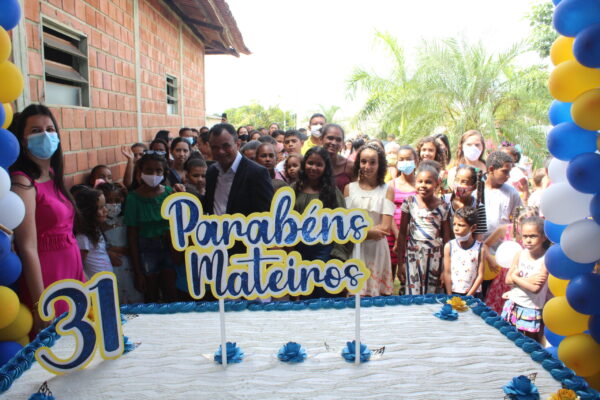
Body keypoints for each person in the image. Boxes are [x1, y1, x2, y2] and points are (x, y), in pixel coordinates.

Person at [10, 104, 85, 332]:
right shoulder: (23, 183)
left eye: (50, 129)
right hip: (47, 276)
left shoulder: (53, 175)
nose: (45, 135)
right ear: (23, 140)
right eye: (35, 130)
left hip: (72, 268)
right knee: (58, 342)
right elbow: (27, 246)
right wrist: (40, 302)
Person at [292, 147, 350, 298]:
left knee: (323, 293)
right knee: (304, 294)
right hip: (298, 251)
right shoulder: (294, 189)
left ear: (325, 168)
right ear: (304, 164)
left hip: (324, 251)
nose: (313, 168)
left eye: (319, 164)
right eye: (310, 163)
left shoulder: (332, 192)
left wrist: (338, 255)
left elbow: (342, 225)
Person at [124, 152, 176, 303]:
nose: (154, 174)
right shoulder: (133, 198)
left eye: (158, 170)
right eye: (149, 170)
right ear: (140, 172)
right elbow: (132, 235)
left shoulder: (170, 193)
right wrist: (137, 271)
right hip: (146, 250)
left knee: (171, 292)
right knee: (150, 293)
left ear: (164, 173)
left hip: (169, 247)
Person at [345, 144, 395, 296]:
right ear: (358, 163)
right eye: (363, 161)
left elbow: (385, 228)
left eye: (373, 162)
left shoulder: (387, 190)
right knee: (355, 296)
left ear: (380, 164)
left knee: (376, 298)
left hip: (377, 249)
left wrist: (359, 232)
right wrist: (369, 232)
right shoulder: (349, 188)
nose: (367, 166)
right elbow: (346, 224)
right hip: (355, 248)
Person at [397, 161, 451, 295]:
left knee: (432, 294)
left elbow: (447, 238)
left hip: (435, 256)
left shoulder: (443, 207)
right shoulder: (410, 202)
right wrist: (400, 263)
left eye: (428, 182)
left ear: (436, 184)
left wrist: (446, 269)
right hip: (413, 255)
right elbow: (402, 234)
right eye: (420, 181)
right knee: (413, 294)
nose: (423, 185)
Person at [204, 123, 274, 217]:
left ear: (237, 144)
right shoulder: (211, 172)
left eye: (226, 146)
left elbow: (264, 216)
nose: (220, 151)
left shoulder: (257, 173)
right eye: (215, 147)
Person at [501, 215, 549, 342]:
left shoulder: (546, 259)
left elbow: (535, 289)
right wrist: (526, 280)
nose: (528, 240)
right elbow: (507, 280)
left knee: (530, 343)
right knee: (510, 339)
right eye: (525, 236)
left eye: (533, 236)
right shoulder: (520, 254)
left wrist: (516, 278)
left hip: (531, 308)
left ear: (544, 237)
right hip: (514, 303)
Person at [97, 182, 143, 304]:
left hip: (130, 265)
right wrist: (109, 251)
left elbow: (134, 242)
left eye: (117, 200)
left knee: (133, 296)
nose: (113, 205)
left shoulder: (126, 219)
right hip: (111, 266)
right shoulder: (98, 223)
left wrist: (121, 249)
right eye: (108, 201)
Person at [387, 146, 417, 284]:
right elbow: (388, 211)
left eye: (408, 159)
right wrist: (398, 234)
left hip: (413, 237)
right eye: (401, 159)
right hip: (392, 236)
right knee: (389, 274)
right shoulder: (391, 185)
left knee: (410, 277)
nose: (405, 162)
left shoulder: (421, 184)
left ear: (416, 160)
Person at [443, 206, 487, 297]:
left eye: (461, 225)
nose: (456, 228)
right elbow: (447, 272)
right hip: (453, 293)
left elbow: (480, 275)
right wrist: (450, 295)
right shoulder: (449, 246)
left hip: (473, 295)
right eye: (454, 224)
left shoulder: (480, 248)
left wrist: (468, 297)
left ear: (473, 228)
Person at [483, 151, 523, 251]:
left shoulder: (512, 193)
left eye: (509, 172)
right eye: (505, 171)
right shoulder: (476, 191)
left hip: (502, 247)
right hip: (478, 245)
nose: (508, 176)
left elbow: (518, 220)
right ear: (491, 169)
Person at [74, 188, 112, 278]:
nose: (106, 210)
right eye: (100, 208)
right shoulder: (83, 237)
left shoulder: (96, 230)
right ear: (89, 211)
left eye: (104, 206)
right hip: (95, 284)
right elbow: (79, 267)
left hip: (106, 282)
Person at [443, 165, 487, 241]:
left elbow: (479, 238)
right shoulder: (445, 201)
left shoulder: (478, 207)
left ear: (474, 187)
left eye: (464, 182)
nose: (458, 185)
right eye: (457, 180)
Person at [320, 124, 353, 192]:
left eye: (338, 140)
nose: (334, 143)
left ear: (343, 143)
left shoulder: (350, 166)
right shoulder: (312, 163)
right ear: (321, 139)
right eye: (330, 138)